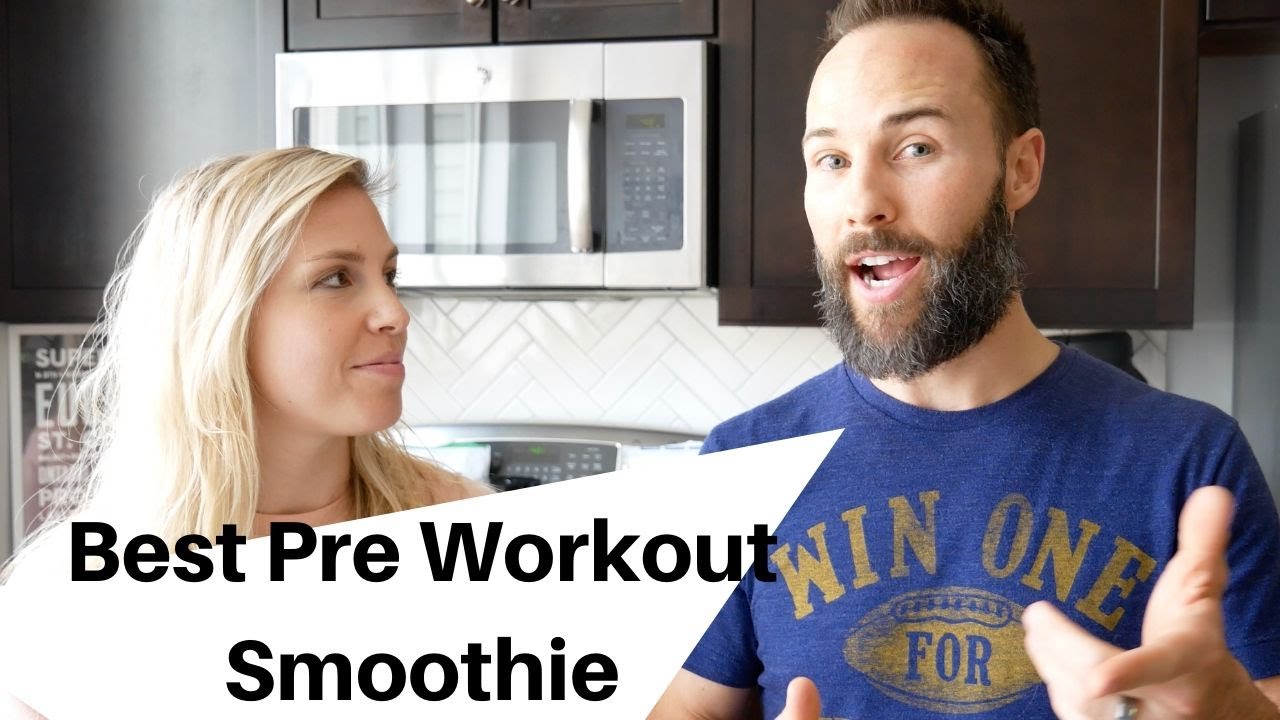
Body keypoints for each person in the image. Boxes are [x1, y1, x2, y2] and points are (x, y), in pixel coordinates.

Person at [649, 1, 1280, 718]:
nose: (863, 202)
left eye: (916, 148)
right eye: (832, 160)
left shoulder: (1189, 461)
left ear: (1020, 168)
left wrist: (1225, 709)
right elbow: (688, 708)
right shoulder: (743, 463)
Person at [1, 147, 490, 717]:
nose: (395, 313)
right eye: (336, 278)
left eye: (389, 276)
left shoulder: (471, 533)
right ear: (220, 317)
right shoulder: (66, 603)